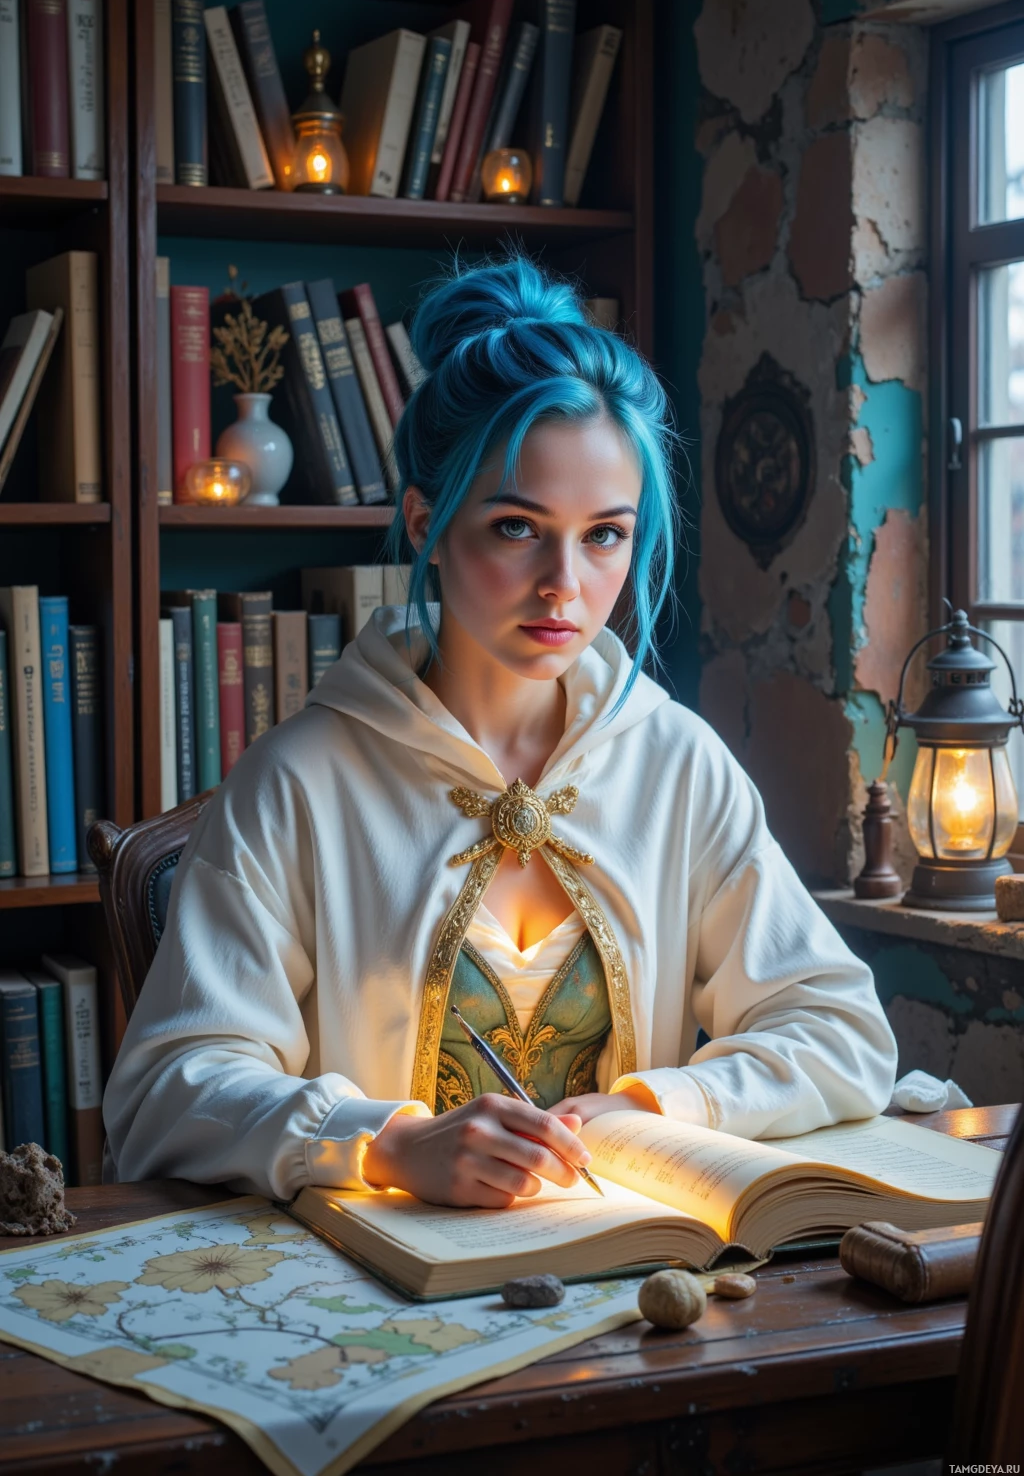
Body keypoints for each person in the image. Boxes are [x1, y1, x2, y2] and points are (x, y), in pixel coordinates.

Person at [103, 256, 898, 1208]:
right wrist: (385, 1144)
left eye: (605, 534)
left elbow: (842, 1030)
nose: (565, 584)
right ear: (427, 524)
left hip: (629, 1292)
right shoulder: (299, 783)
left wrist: (661, 1099)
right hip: (381, 1310)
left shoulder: (677, 763)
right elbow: (163, 1090)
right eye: (519, 527)